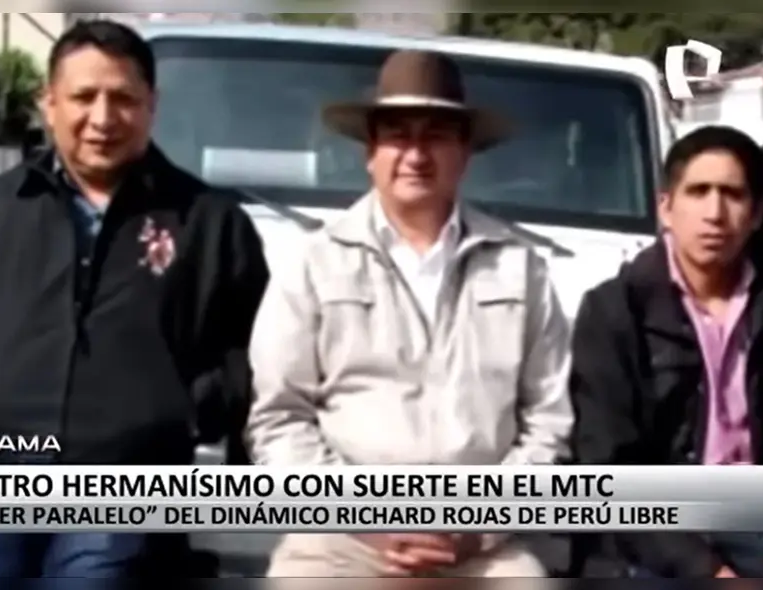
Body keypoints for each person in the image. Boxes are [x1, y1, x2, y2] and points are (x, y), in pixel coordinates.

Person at [0, 20, 268, 579]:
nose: (102, 117)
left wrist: (184, 410)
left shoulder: (212, 223)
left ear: (151, 105)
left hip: (129, 485)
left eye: (122, 98)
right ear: (49, 103)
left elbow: (257, 353)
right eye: (83, 97)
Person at [245, 49, 574, 578]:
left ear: (465, 151)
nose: (416, 155)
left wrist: (478, 526)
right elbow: (279, 418)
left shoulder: (521, 267)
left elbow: (549, 423)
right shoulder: (313, 262)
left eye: (436, 135)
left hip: (483, 546)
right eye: (398, 135)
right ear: (370, 151)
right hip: (342, 538)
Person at [569, 126, 763, 578]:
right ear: (666, 208)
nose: (715, 213)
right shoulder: (616, 311)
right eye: (698, 191)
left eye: (732, 195)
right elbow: (611, 469)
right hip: (657, 534)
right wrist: (709, 572)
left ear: (756, 215)